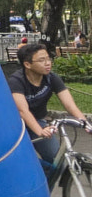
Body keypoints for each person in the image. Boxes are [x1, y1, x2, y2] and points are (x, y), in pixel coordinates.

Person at [9, 41, 88, 172]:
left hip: (38, 121)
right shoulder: (16, 81)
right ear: (27, 64)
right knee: (22, 161)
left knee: (57, 162)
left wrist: (84, 123)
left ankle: (44, 186)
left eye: (48, 58)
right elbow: (23, 111)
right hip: (15, 126)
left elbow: (69, 104)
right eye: (41, 60)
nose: (47, 63)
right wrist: (40, 131)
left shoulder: (52, 78)